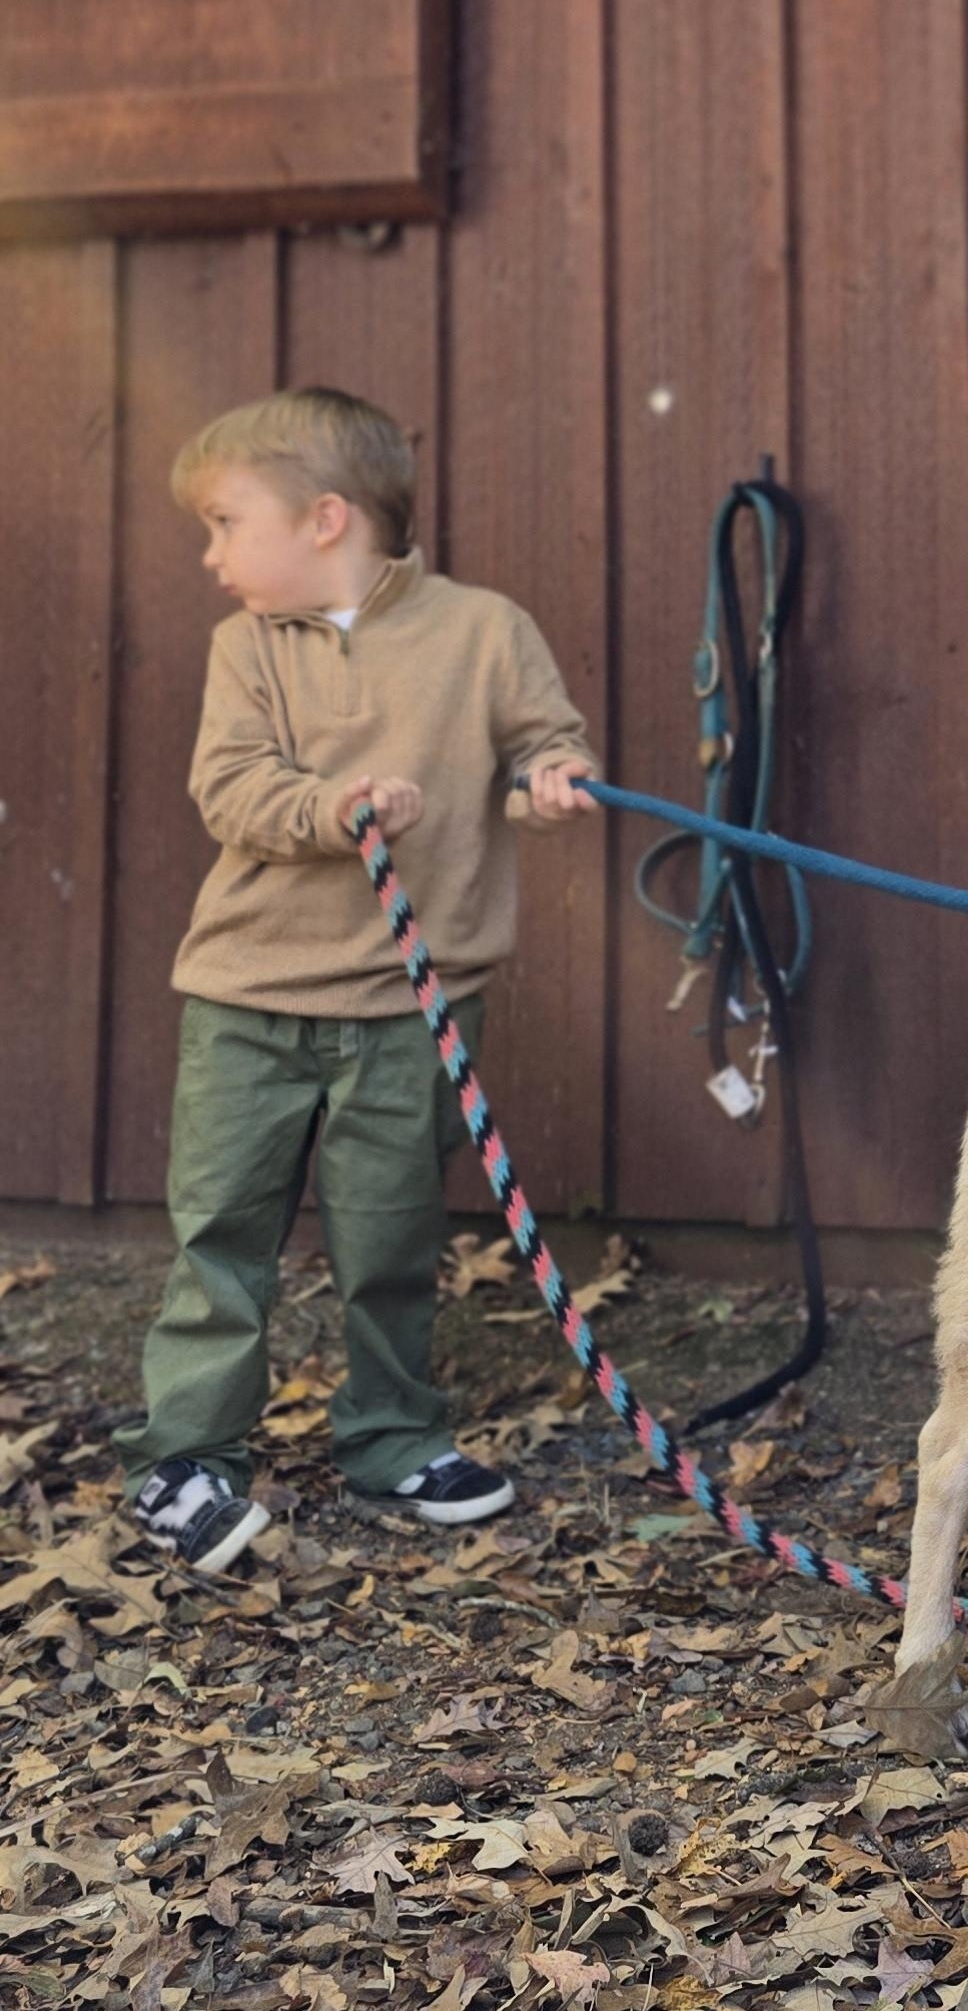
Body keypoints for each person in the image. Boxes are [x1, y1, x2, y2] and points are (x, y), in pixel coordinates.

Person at [118, 388, 600, 1573]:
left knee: (390, 1236)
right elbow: (229, 787)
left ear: (326, 518)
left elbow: (544, 735)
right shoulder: (248, 650)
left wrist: (556, 774)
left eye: (228, 523)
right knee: (222, 1230)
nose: (212, 554)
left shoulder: (484, 631)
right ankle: (189, 1456)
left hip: (408, 1004)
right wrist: (333, 809)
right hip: (248, 998)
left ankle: (391, 1436)